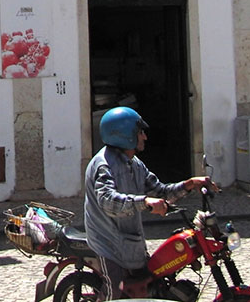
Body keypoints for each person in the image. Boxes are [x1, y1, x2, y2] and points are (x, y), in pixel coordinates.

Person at [84, 107, 216, 300]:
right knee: (115, 288)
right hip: (107, 242)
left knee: (154, 282)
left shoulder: (135, 164)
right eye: (140, 132)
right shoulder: (103, 165)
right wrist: (145, 202)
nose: (145, 137)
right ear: (125, 135)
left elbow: (161, 191)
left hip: (130, 241)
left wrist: (190, 184)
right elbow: (108, 201)